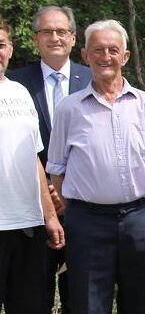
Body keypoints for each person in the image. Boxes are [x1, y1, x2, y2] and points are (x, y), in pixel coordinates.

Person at [46, 19, 145, 314]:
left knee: (140, 303)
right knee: (88, 304)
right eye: (98, 50)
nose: (105, 57)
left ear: (125, 56)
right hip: (87, 222)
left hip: (141, 218)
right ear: (85, 55)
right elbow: (57, 168)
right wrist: (77, 210)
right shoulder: (69, 109)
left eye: (113, 50)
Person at [7, 5, 91, 314]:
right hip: (32, 207)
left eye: (61, 31)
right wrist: (48, 192)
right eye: (46, 31)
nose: (54, 37)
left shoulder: (94, 77)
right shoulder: (14, 83)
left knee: (80, 296)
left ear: (72, 37)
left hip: (84, 206)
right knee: (33, 296)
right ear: (34, 39)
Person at [0, 18, 65, 314]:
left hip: (28, 226)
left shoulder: (20, 92)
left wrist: (49, 216)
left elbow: (34, 159)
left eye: (1, 45)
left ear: (10, 49)